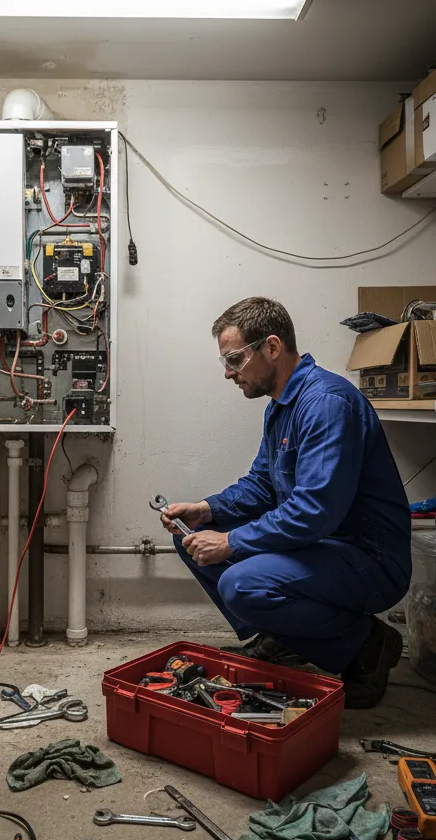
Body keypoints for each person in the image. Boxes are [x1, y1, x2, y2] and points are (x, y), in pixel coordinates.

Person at [162, 297, 411, 708]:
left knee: (241, 583)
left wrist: (231, 543)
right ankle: (283, 639)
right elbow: (262, 485)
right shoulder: (282, 406)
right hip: (323, 546)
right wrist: (205, 510)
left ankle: (367, 645)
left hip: (368, 558)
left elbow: (314, 512)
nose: (228, 373)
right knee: (193, 538)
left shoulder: (327, 404)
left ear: (272, 348)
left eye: (235, 359)